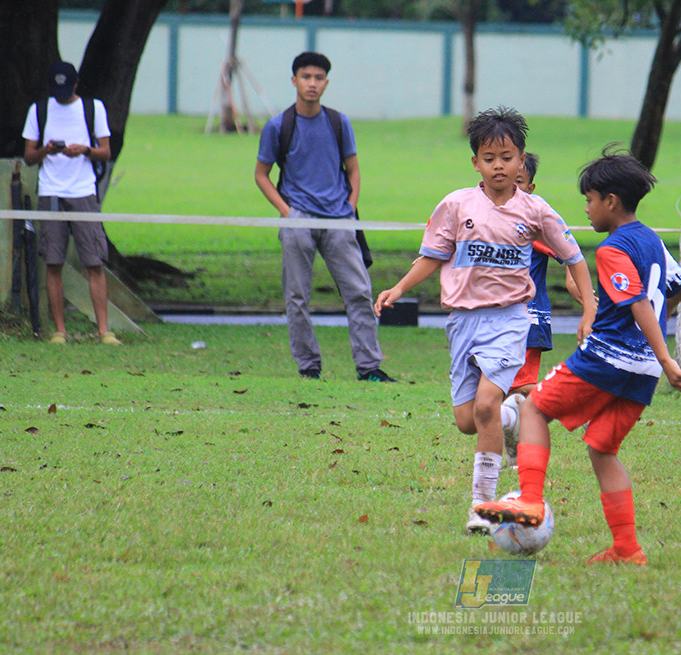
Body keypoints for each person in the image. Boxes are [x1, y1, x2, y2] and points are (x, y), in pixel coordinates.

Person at [374, 107, 598, 535]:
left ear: (521, 161)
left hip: (510, 320)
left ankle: (481, 506)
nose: (499, 166)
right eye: (490, 158)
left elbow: (574, 258)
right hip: (463, 322)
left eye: (507, 157)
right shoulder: (456, 205)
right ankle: (514, 416)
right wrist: (399, 288)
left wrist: (589, 308)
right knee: (468, 421)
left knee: (483, 406)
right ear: (475, 161)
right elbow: (432, 257)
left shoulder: (535, 211)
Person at [474, 147, 681, 565]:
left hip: (607, 358)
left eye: (590, 200)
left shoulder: (612, 250)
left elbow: (638, 304)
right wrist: (657, 346)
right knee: (602, 450)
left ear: (610, 201)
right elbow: (679, 284)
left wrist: (668, 358)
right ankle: (627, 549)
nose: (587, 208)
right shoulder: (652, 240)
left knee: (534, 409)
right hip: (643, 370)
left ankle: (531, 501)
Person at [255, 51, 395, 383]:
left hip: (338, 219)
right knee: (297, 297)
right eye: (306, 77)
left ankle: (369, 367)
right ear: (294, 81)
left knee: (359, 293)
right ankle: (309, 367)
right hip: (298, 219)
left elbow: (353, 169)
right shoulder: (278, 126)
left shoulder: (338, 122)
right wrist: (287, 213)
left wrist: (350, 208)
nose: (312, 84)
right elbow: (261, 174)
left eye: (319, 78)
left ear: (326, 83)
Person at [22, 61, 117, 345]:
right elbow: (29, 156)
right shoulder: (38, 110)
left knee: (94, 262)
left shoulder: (93, 108)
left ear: (76, 84)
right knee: (53, 261)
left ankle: (104, 330)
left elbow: (105, 151)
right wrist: (46, 150)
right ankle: (60, 331)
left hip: (83, 191)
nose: (61, 96)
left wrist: (85, 150)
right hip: (51, 191)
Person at [500, 152, 586, 465]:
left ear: (530, 187)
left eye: (519, 182)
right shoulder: (489, 215)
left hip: (528, 317)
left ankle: (581, 402)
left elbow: (570, 253)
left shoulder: (531, 219)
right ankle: (515, 448)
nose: (512, 188)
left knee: (518, 386)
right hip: (497, 317)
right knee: (506, 392)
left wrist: (579, 289)